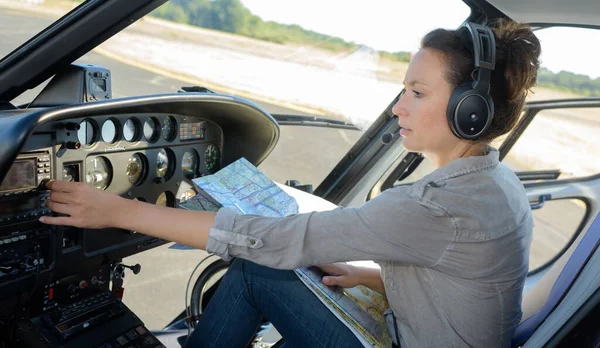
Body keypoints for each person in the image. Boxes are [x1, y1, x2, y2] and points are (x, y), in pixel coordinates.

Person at [41, 18, 541, 348]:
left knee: (261, 272)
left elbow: (282, 241)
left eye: (416, 92)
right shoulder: (495, 183)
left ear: (468, 112)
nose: (398, 107)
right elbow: (472, 287)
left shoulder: (436, 205)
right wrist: (371, 277)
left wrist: (119, 211)